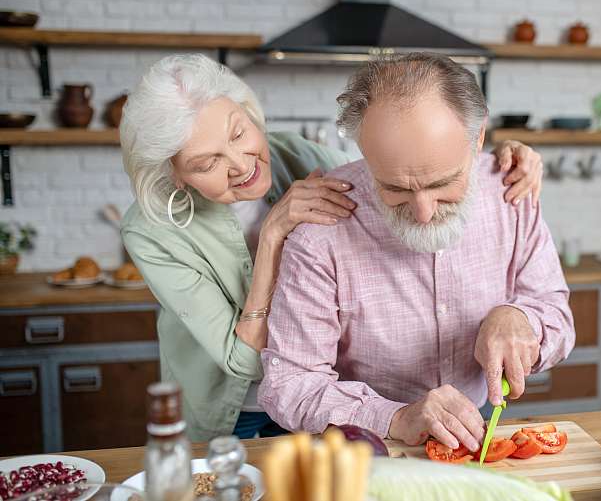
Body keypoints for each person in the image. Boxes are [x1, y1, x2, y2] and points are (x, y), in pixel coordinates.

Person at [118, 53, 546, 441]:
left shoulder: (296, 154)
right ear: (175, 174)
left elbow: (399, 164)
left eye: (238, 133)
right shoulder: (150, 230)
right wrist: (272, 237)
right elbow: (247, 363)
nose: (241, 164)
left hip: (324, 403)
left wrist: (495, 156)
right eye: (207, 162)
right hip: (234, 406)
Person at [260, 53, 574, 454]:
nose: (424, 213)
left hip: (475, 437)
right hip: (364, 448)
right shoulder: (322, 225)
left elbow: (557, 316)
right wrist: (394, 417)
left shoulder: (511, 192)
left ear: (477, 139)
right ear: (364, 151)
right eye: (395, 189)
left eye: (443, 183)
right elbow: (289, 386)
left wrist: (523, 318)